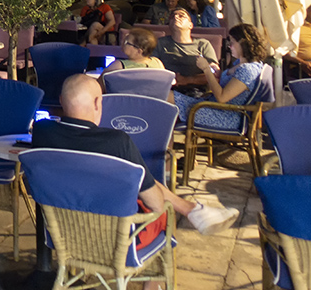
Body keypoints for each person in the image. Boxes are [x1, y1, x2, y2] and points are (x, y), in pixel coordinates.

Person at [31, 74, 240, 236]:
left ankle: (194, 210)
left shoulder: (42, 132)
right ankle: (157, 280)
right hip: (116, 235)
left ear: (61, 100)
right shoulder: (116, 142)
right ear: (97, 103)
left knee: (139, 177)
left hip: (60, 232)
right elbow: (156, 204)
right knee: (164, 217)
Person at [173, 23, 268, 131]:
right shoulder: (242, 64)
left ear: (243, 43)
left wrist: (206, 70)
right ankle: (165, 143)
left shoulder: (248, 70)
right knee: (167, 99)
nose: (229, 46)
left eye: (232, 43)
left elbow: (222, 98)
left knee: (166, 100)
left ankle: (164, 144)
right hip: (214, 109)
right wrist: (219, 74)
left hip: (224, 117)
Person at [154, 8, 218, 89]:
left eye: (181, 16)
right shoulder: (159, 43)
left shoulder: (202, 44)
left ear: (190, 25)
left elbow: (215, 74)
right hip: (165, 87)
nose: (176, 17)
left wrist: (187, 80)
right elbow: (152, 67)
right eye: (173, 17)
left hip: (197, 90)